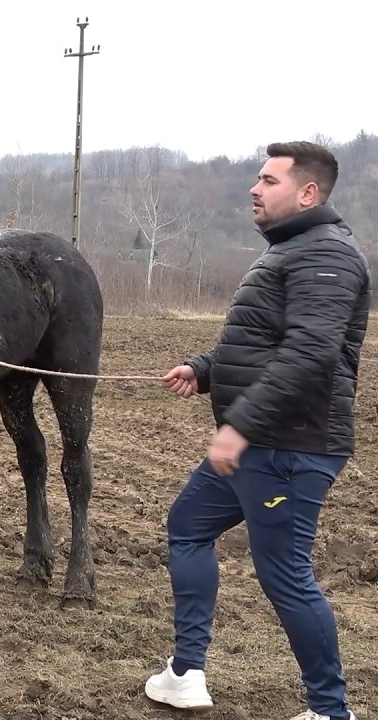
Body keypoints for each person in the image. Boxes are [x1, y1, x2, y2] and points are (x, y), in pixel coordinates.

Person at [144, 140, 369, 720]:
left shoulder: (327, 256)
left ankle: (329, 711)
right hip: (260, 443)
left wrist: (239, 425)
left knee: (285, 575)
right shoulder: (292, 252)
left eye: (269, 180)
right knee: (188, 526)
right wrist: (204, 367)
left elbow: (311, 353)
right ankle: (187, 672)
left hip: (289, 445)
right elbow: (261, 343)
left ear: (308, 191)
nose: (254, 188)